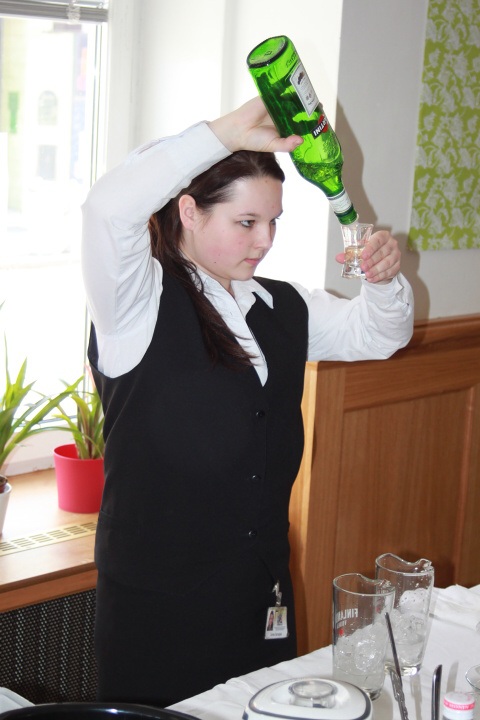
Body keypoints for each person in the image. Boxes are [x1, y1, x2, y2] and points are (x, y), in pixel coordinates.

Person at [81, 97, 414, 708]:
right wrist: (225, 132)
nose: (265, 240)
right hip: (160, 613)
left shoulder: (282, 305)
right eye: (246, 222)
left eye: (273, 222)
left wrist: (384, 279)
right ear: (189, 211)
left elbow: (380, 335)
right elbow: (107, 209)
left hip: (262, 597)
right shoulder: (135, 301)